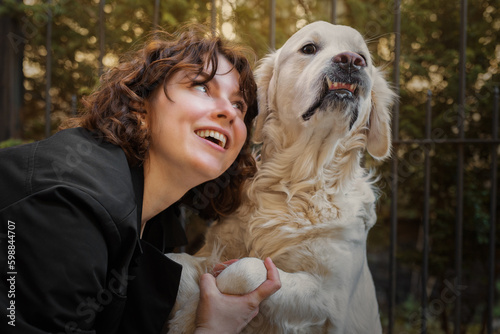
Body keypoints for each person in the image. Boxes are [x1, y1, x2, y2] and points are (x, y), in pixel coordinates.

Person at [0, 24, 281, 334]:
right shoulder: (68, 205)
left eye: (239, 105)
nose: (229, 112)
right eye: (202, 86)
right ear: (141, 102)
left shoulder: (159, 224)